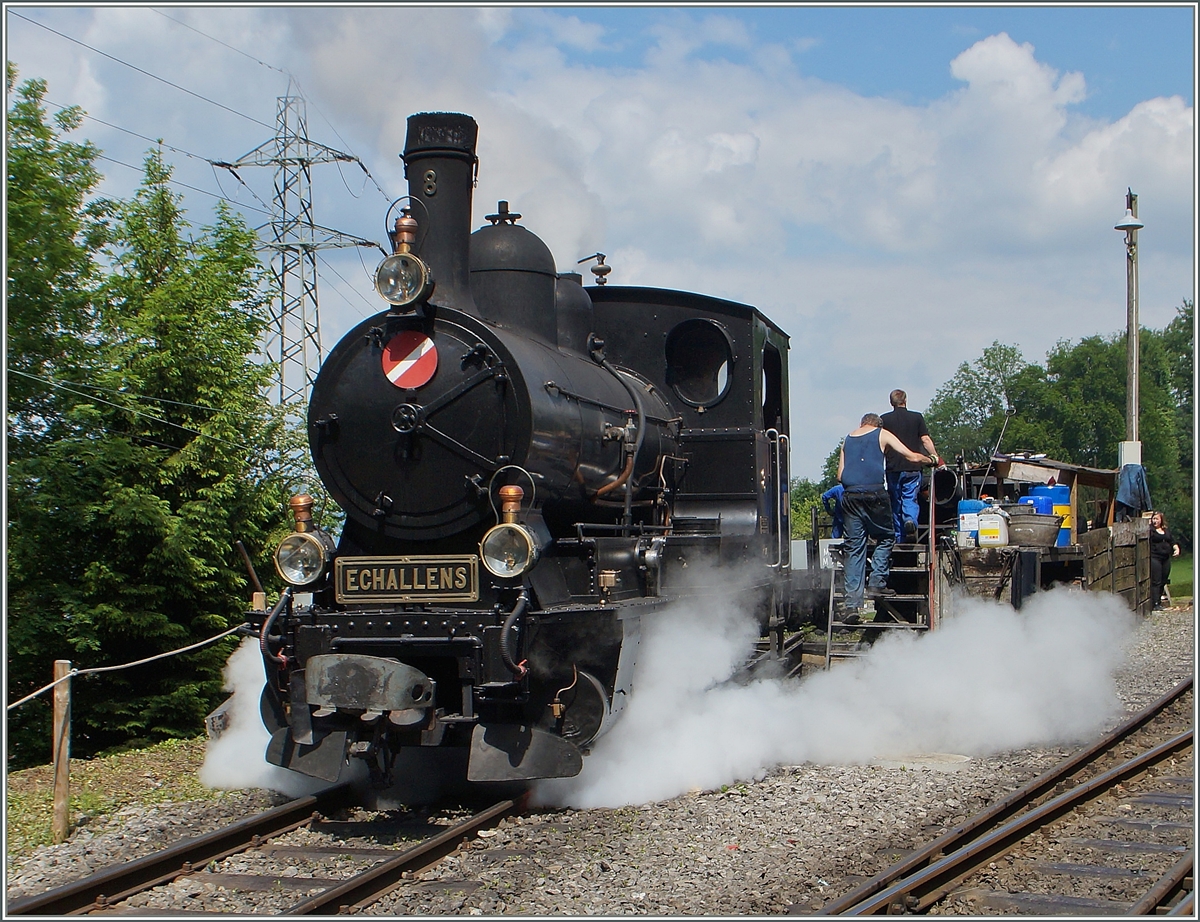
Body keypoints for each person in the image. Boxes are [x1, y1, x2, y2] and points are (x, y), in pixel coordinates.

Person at [838, 413, 937, 617]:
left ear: (862, 423)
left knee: (855, 548)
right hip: (874, 493)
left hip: (850, 496)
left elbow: (840, 475)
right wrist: (932, 459)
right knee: (886, 536)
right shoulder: (881, 434)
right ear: (877, 424)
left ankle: (851, 606)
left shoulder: (847, 439)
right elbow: (910, 456)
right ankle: (877, 582)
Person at [880, 389, 942, 543]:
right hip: (913, 467)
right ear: (905, 400)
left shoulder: (884, 420)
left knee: (896, 500)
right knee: (909, 498)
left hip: (893, 468)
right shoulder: (917, 417)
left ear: (891, 402)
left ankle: (899, 537)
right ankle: (910, 520)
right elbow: (926, 440)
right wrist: (935, 457)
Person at [1148, 511, 1181, 610]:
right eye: (1153, 519)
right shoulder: (1151, 531)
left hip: (1165, 558)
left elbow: (1172, 540)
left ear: (1161, 520)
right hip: (1155, 557)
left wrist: (1176, 548)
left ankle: (1159, 601)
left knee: (1163, 579)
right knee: (1156, 580)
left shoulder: (1166, 530)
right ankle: (1155, 603)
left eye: (1157, 519)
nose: (1155, 521)